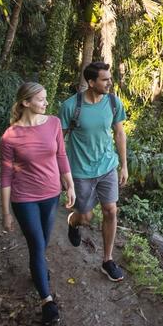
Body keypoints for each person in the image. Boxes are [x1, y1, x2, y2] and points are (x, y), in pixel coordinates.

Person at [0, 82, 75, 326]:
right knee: (36, 244)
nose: (46, 103)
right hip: (24, 199)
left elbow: (61, 155)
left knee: (43, 241)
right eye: (41, 99)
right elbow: (7, 176)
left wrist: (70, 185)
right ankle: (47, 301)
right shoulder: (10, 136)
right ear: (26, 103)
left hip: (51, 194)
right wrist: (6, 213)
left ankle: (39, 271)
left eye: (45, 99)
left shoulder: (53, 123)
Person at [59, 61, 128, 282]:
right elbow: (59, 140)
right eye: (104, 79)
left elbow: (119, 134)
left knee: (111, 211)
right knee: (86, 216)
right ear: (91, 82)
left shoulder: (114, 103)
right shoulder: (71, 106)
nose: (109, 82)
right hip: (80, 171)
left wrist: (124, 165)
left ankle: (107, 260)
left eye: (109, 78)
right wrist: (62, 172)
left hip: (107, 166)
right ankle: (74, 222)